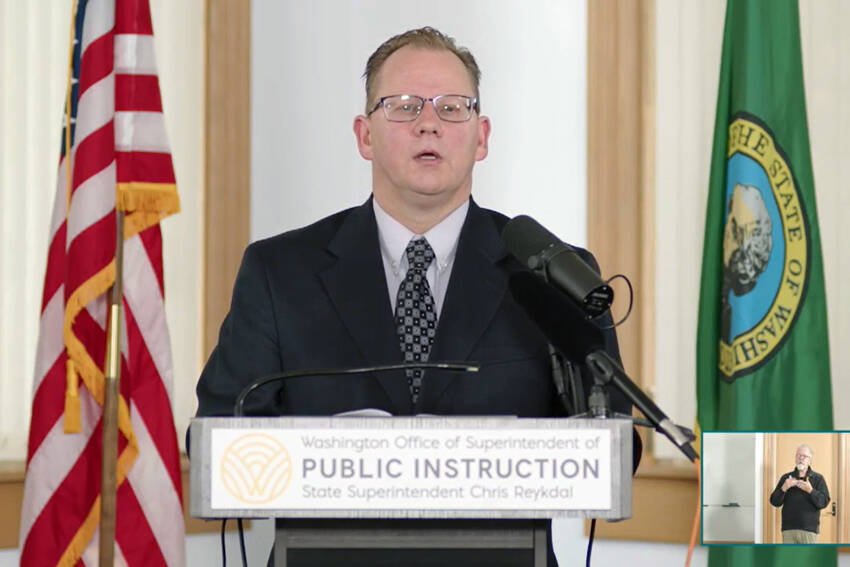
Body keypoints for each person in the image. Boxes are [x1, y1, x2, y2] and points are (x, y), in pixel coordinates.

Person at [194, 26, 637, 566]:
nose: (429, 122)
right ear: (365, 136)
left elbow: (617, 444)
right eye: (404, 107)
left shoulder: (549, 272)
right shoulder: (280, 271)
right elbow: (217, 447)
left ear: (481, 136)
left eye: (453, 108)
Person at [769, 444, 830, 544]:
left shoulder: (818, 479)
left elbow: (823, 502)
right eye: (798, 455)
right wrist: (784, 488)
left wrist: (811, 490)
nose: (801, 458)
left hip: (809, 530)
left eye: (804, 456)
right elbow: (774, 502)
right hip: (788, 530)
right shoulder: (786, 478)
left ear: (810, 460)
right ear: (795, 458)